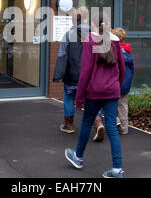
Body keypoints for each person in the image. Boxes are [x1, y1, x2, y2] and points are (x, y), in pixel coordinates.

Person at [64, 12, 126, 178]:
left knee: (86, 123)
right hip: (112, 91)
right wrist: (116, 87)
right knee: (112, 127)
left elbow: (85, 72)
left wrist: (79, 97)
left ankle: (78, 157)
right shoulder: (116, 41)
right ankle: (117, 169)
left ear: (93, 25)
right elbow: (122, 69)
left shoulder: (90, 41)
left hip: (94, 92)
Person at [53, 7, 99, 135]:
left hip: (72, 75)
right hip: (91, 75)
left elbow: (62, 55)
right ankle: (98, 123)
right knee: (92, 98)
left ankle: (68, 125)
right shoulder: (95, 35)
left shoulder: (68, 35)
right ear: (86, 18)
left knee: (68, 98)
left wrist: (58, 74)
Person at [111, 27, 134, 135]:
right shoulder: (128, 51)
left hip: (116, 82)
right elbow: (132, 68)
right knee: (123, 105)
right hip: (126, 83)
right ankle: (124, 128)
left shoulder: (114, 51)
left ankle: (116, 122)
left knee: (110, 104)